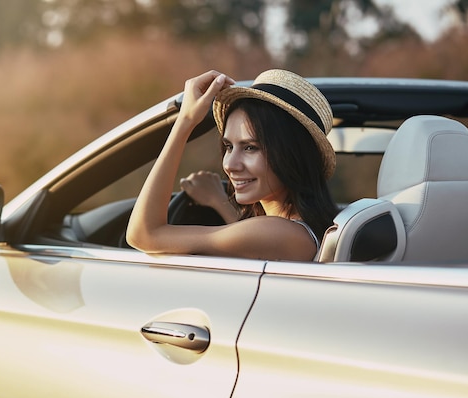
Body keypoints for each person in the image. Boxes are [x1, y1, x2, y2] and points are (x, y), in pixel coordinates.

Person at [126, 69, 338, 261]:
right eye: (228, 146)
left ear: (291, 155)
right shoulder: (296, 229)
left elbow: (144, 234)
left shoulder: (283, 234)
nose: (230, 165)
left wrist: (186, 121)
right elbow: (248, 232)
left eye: (250, 148)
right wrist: (218, 200)